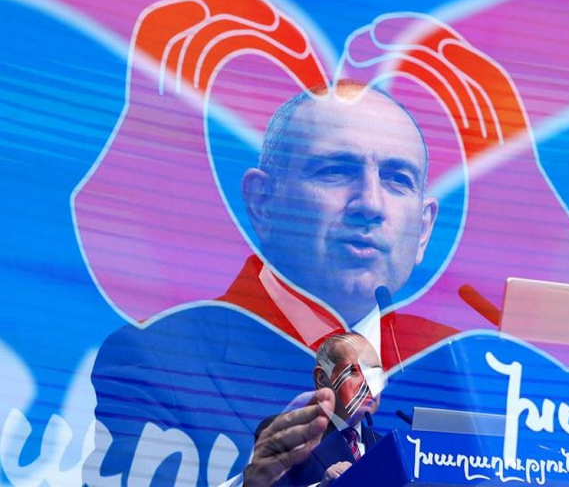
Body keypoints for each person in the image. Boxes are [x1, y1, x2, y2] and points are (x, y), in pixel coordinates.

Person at [84, 82, 457, 487]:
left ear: (424, 229)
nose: (370, 203)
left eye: (397, 179)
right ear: (263, 202)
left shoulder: (458, 376)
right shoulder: (159, 362)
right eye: (336, 171)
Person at [262, 333, 382, 487]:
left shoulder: (386, 447)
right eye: (354, 371)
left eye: (375, 374)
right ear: (322, 379)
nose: (369, 384)